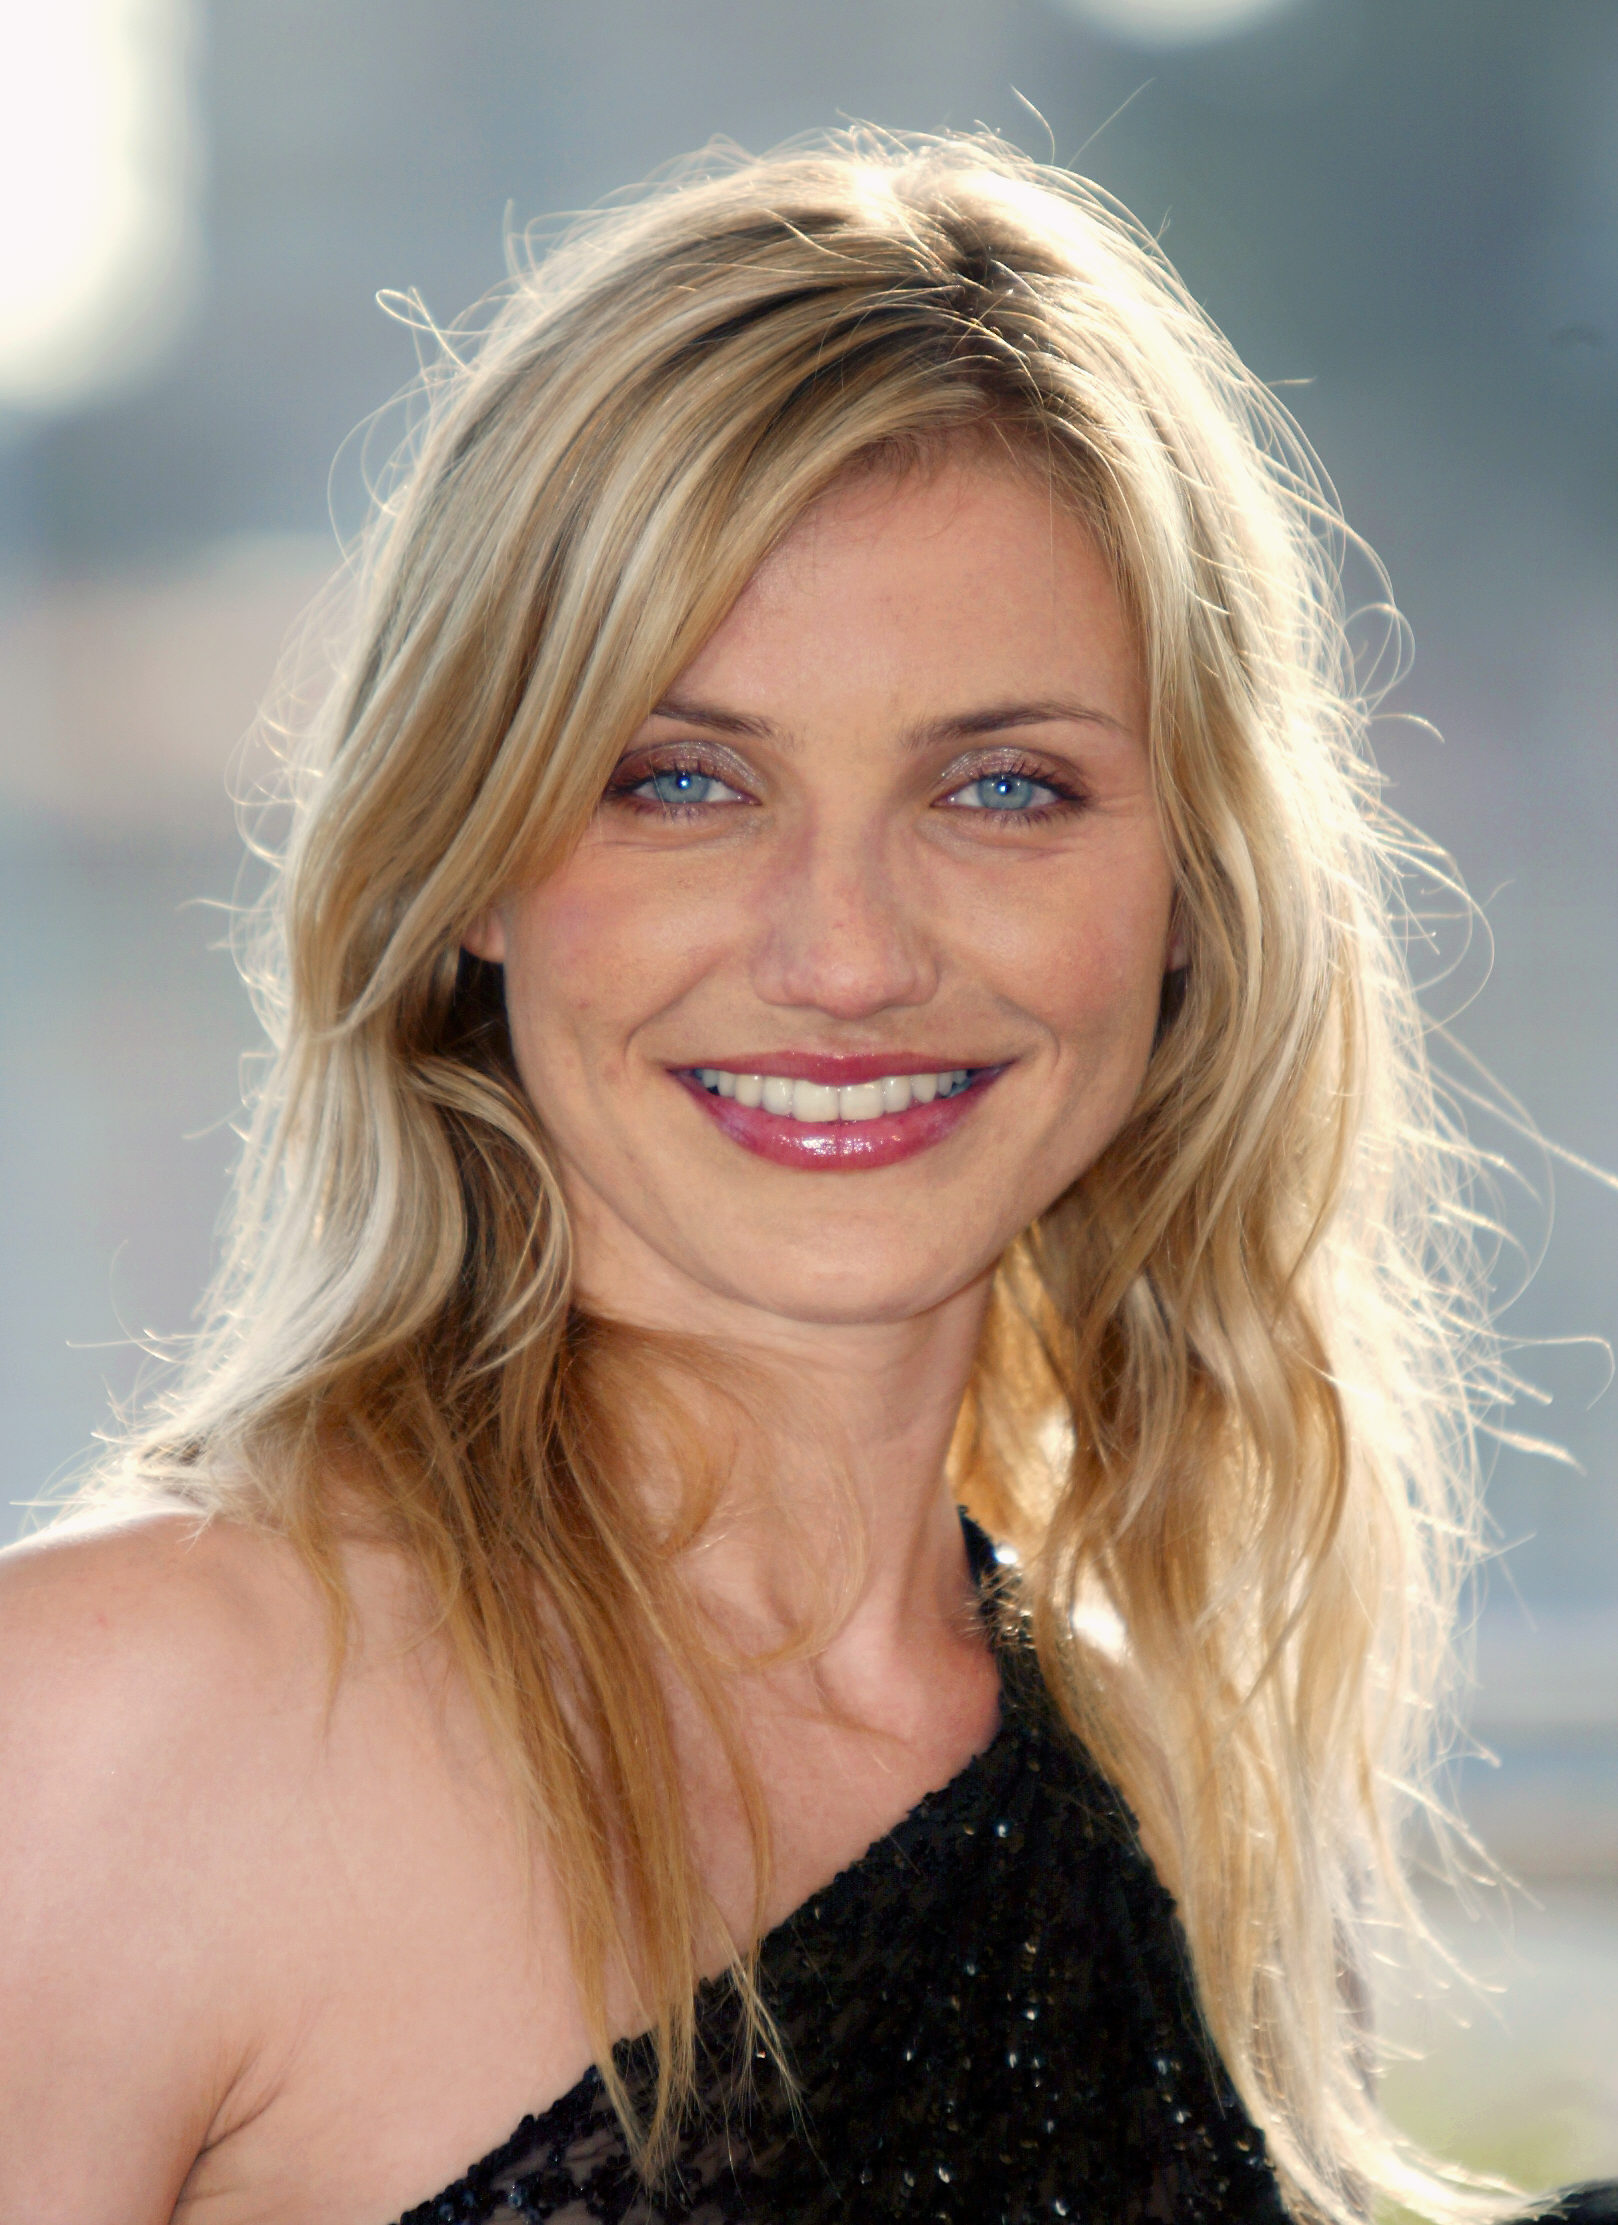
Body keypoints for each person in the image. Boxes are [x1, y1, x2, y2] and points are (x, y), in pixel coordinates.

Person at [2, 130, 1612, 2225]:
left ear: (1187, 891)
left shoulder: (1159, 1759)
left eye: (1003, 787)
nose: (845, 954)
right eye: (678, 781)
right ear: (469, 857)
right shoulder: (114, 1733)